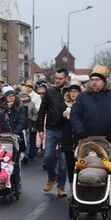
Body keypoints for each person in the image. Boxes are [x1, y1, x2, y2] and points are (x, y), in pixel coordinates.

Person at [70, 65, 111, 195]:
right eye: (92, 79)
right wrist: (80, 131)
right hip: (88, 139)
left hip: (109, 138)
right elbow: (75, 115)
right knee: (85, 165)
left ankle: (110, 194)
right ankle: (84, 192)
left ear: (104, 82)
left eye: (97, 80)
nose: (94, 82)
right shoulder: (83, 97)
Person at [36, 68, 70, 197]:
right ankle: (51, 178)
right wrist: (40, 129)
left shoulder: (70, 92)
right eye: (56, 78)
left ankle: (61, 187)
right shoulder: (50, 92)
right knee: (48, 156)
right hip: (51, 129)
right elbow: (42, 111)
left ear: (65, 78)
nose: (57, 80)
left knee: (63, 161)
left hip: (65, 130)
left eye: (60, 78)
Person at [0, 85, 27, 192]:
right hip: (2, 137)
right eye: (9, 96)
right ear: (5, 97)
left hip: (16, 137)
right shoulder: (0, 109)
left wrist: (15, 134)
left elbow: (22, 122)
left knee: (15, 160)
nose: (11, 97)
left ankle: (16, 180)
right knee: (0, 158)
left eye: (13, 96)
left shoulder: (20, 108)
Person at [60, 79, 82, 189]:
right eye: (71, 91)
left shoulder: (83, 105)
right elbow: (57, 123)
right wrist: (63, 117)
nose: (73, 94)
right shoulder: (63, 105)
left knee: (80, 164)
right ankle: (72, 188)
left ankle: (80, 186)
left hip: (79, 140)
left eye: (76, 91)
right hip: (68, 140)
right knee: (70, 165)